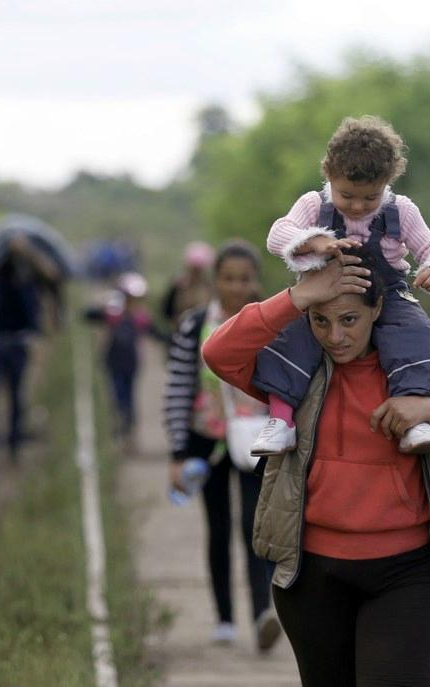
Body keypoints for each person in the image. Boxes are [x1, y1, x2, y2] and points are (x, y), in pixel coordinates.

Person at [201, 251, 430, 687]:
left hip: (404, 576)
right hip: (312, 577)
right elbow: (219, 352)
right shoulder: (296, 371)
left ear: (378, 308)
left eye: (349, 320)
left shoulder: (420, 371)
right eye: (320, 321)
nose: (335, 337)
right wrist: (297, 296)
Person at [249, 115, 430, 458]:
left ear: (387, 183)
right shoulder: (313, 205)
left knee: (419, 337)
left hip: (387, 292)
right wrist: (314, 242)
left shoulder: (401, 212)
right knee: (290, 335)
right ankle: (280, 420)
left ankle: (417, 418)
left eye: (370, 198)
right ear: (328, 175)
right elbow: (278, 234)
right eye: (347, 195)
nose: (356, 206)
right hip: (325, 291)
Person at [162, 240, 281, 652]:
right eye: (228, 278)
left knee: (256, 527)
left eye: (244, 279)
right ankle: (225, 620)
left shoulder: (271, 323)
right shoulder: (193, 325)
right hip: (206, 440)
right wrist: (178, 453)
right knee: (217, 527)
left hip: (258, 442)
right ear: (215, 280)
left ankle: (262, 614)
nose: (236, 286)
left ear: (255, 281)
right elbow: (178, 388)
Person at [0, 234, 61, 464]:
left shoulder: (29, 271)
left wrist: (28, 253)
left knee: (16, 397)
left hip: (17, 343)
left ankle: (13, 447)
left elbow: (52, 275)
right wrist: (4, 251)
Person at [84, 272, 165, 448]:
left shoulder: (140, 318)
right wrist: (102, 307)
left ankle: (128, 431)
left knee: (129, 398)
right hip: (113, 362)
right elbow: (88, 315)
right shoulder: (113, 314)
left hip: (131, 363)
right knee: (118, 396)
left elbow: (157, 334)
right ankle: (121, 430)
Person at [160, 240, 215, 329]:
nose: (196, 272)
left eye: (198, 269)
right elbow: (166, 310)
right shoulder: (178, 286)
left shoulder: (210, 287)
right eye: (194, 269)